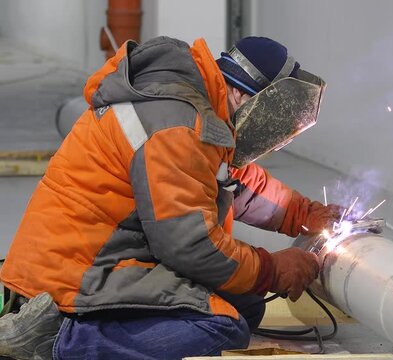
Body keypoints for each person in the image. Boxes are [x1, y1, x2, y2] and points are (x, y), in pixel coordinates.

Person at [0, 35, 340, 359]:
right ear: (245, 96)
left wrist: (303, 213)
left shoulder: (198, 107)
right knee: (223, 328)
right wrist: (272, 269)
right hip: (72, 276)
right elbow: (190, 246)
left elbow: (232, 183)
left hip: (101, 259)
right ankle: (57, 338)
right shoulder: (177, 123)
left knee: (247, 302)